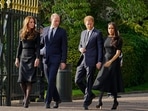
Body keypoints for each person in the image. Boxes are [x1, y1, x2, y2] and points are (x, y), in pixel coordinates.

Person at [93, 22, 124, 110]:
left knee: (112, 81)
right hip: (105, 61)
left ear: (115, 29)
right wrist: (100, 61)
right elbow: (102, 51)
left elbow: (118, 53)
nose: (110, 30)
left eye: (112, 28)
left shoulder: (118, 39)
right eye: (109, 28)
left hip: (113, 62)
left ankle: (115, 101)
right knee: (102, 79)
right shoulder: (105, 38)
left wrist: (110, 61)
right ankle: (99, 101)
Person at [75, 15, 104, 110]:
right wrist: (80, 49)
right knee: (77, 80)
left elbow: (100, 49)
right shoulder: (83, 33)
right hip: (82, 60)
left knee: (89, 82)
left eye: (91, 23)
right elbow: (80, 44)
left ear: (93, 23)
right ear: (85, 24)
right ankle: (90, 95)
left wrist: (99, 61)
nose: (89, 25)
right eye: (88, 23)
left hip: (92, 61)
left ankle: (86, 102)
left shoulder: (97, 33)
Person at [40, 13, 67, 109]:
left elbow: (64, 47)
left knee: (51, 79)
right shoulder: (45, 30)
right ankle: (57, 99)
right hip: (45, 58)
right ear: (51, 20)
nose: (57, 22)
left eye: (58, 21)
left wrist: (63, 61)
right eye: (55, 20)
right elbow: (41, 43)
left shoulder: (62, 32)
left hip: (56, 58)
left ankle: (47, 101)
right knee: (49, 80)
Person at [15, 16, 40, 108]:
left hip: (32, 56)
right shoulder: (21, 33)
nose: (33, 24)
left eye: (33, 22)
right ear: (27, 23)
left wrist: (37, 58)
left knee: (29, 80)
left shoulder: (36, 34)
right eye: (31, 22)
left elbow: (37, 48)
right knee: (22, 80)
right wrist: (17, 58)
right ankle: (26, 97)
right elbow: (19, 46)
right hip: (23, 56)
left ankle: (26, 101)